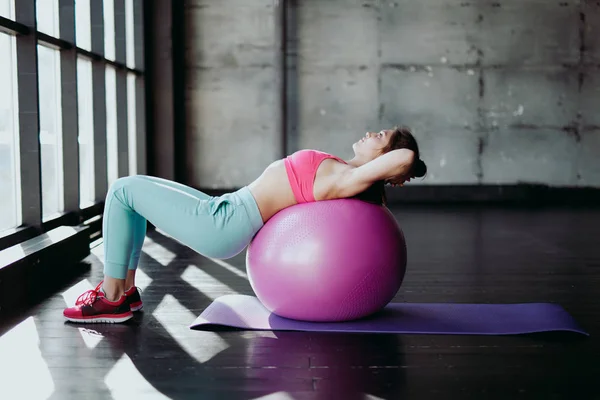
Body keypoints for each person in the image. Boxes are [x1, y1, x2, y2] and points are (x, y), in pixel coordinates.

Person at [63, 126, 427, 323]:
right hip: (225, 209)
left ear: (385, 156)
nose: (370, 133)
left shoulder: (348, 179)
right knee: (133, 189)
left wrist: (398, 169)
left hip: (224, 223)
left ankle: (111, 297)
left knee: (122, 190)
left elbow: (407, 156)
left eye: (380, 136)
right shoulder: (344, 171)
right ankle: (124, 292)